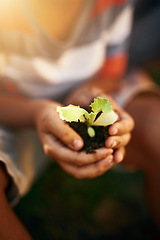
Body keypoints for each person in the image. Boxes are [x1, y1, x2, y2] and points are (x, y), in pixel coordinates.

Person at [0, 0, 159, 239]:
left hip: (86, 94)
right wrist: (37, 112)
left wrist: (88, 94)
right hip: (11, 109)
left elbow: (111, 72)